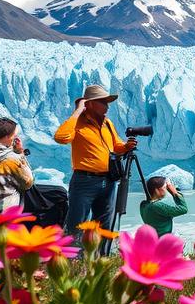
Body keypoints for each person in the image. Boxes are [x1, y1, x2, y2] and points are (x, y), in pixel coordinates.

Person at [54, 85, 136, 245]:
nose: (107, 106)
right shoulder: (78, 123)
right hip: (84, 182)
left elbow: (116, 146)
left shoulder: (108, 124)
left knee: (104, 226)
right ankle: (73, 262)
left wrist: (126, 147)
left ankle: (99, 260)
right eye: (103, 102)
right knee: (76, 225)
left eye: (107, 102)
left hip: (108, 181)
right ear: (89, 104)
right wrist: (77, 112)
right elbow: (61, 137)